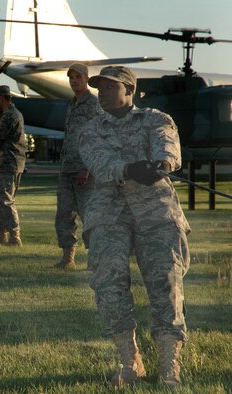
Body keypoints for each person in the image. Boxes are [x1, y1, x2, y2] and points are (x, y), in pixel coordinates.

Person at [79, 66, 190, 388]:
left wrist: (161, 165)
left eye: (109, 87)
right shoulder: (90, 128)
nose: (102, 92)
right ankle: (129, 362)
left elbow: (168, 149)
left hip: (155, 211)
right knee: (109, 283)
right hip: (108, 214)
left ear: (130, 89)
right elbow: (99, 164)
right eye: (99, 87)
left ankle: (170, 364)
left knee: (166, 282)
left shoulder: (156, 119)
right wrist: (128, 168)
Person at [54, 63, 104, 269]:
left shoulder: (95, 104)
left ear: (86, 78)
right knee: (64, 214)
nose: (74, 81)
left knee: (89, 215)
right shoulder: (71, 104)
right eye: (71, 77)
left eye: (78, 77)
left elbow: (98, 138)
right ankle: (68, 258)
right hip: (67, 168)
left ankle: (96, 259)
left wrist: (87, 167)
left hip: (86, 171)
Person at [0, 85, 26, 246]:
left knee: (5, 200)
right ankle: (2, 235)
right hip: (9, 162)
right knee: (2, 200)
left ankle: (14, 236)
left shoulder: (9, 115)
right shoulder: (13, 114)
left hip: (9, 162)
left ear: (1, 98)